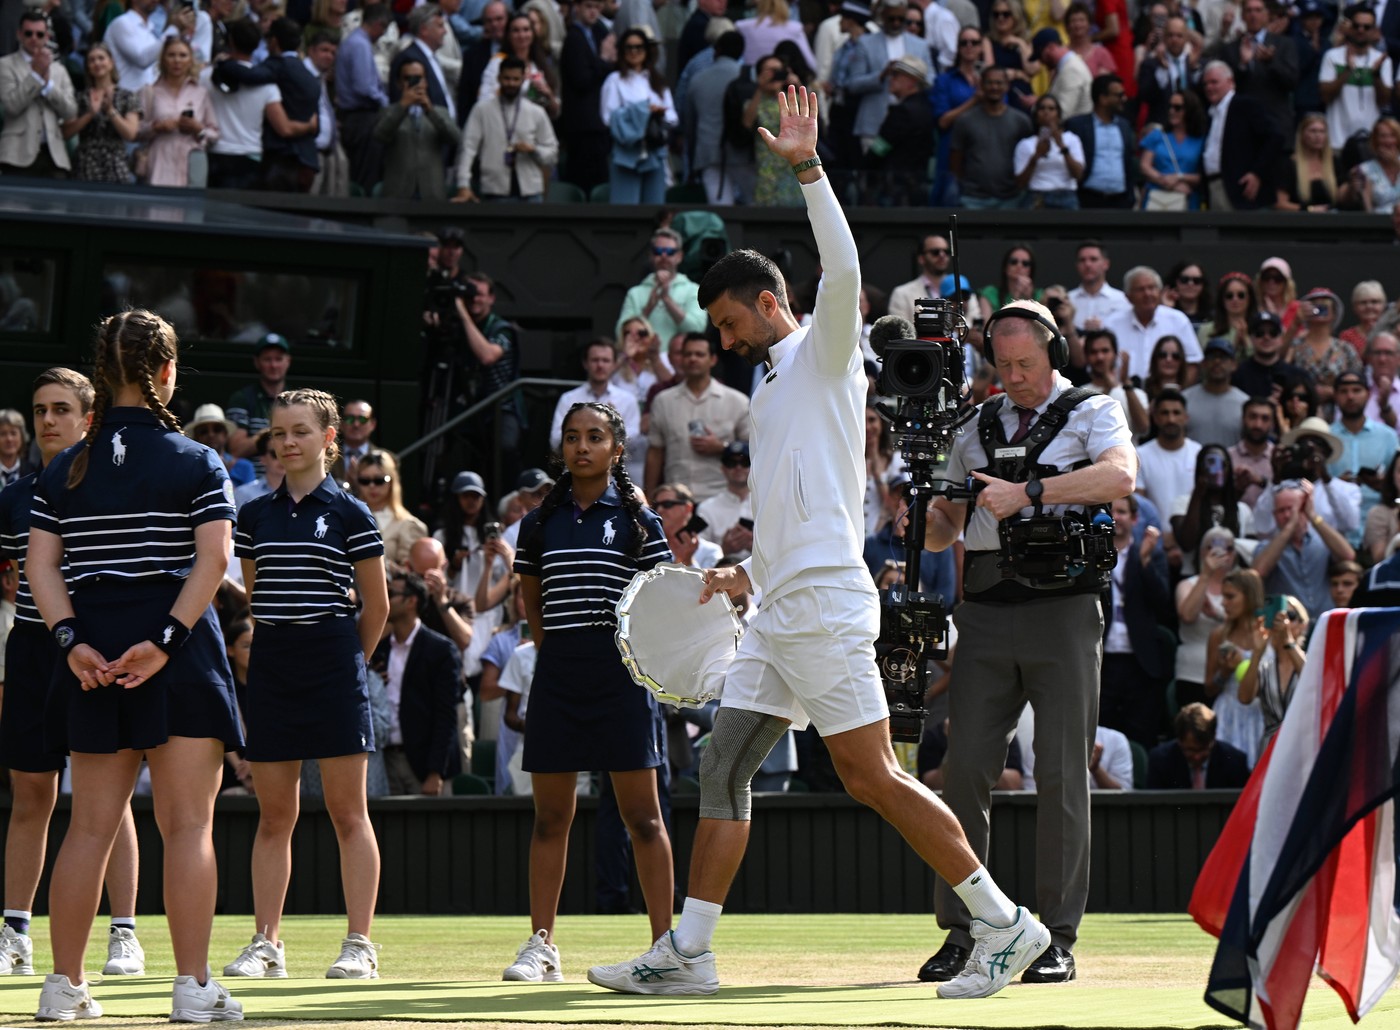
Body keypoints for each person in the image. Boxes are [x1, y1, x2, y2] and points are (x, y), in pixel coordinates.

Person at [591, 88, 1052, 1002]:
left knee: (871, 776)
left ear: (769, 302)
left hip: (829, 604)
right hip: (778, 603)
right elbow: (799, 508)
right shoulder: (768, 389)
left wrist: (807, 168)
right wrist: (740, 571)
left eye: (727, 323)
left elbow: (841, 271)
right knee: (723, 763)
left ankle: (1005, 925)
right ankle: (691, 950)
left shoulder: (824, 350)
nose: (719, 342)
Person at [27, 310, 244, 1022]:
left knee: (87, 827)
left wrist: (71, 643)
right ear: (167, 372)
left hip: (91, 655)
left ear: (101, 374)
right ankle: (192, 989)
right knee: (187, 827)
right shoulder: (195, 459)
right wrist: (166, 641)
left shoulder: (64, 467)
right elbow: (214, 562)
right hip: (176, 657)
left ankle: (63, 985)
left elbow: (40, 569)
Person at [916, 298, 1135, 987]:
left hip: (1064, 609)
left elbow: (1120, 477)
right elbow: (945, 528)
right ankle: (966, 930)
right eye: (1003, 365)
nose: (1014, 377)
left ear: (1055, 355)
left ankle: (1055, 936)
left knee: (1064, 772)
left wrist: (1030, 492)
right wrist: (922, 513)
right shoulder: (972, 424)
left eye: (1027, 364)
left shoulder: (1094, 409)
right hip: (983, 608)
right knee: (964, 772)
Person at [507, 401, 674, 981]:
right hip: (558, 676)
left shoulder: (639, 520)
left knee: (644, 820)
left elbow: (663, 601)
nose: (582, 447)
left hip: (622, 678)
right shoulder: (536, 523)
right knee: (551, 818)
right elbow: (532, 603)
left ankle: (666, 950)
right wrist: (555, 657)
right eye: (573, 437)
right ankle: (541, 945)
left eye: (595, 437)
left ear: (616, 449)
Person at [225, 389, 389, 981]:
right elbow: (256, 593)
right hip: (273, 662)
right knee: (274, 816)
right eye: (278, 432)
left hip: (333, 660)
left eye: (299, 431)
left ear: (328, 439)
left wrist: (346, 663)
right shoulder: (254, 515)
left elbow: (376, 606)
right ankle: (266, 942)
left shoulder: (351, 511)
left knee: (350, 812)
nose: (287, 442)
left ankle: (359, 944)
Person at [0, 368, 146, 982]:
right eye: (39, 410)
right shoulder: (12, 498)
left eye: (62, 408)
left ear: (90, 417)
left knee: (105, 799)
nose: (48, 421)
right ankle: (14, 932)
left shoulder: (113, 486)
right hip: (34, 652)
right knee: (31, 795)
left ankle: (124, 935)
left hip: (100, 651)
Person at [373, 570, 463, 795]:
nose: (385, 598)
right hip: (385, 762)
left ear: (411, 601)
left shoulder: (441, 650)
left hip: (425, 767)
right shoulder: (378, 650)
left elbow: (446, 716)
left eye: (391, 593)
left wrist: (435, 772)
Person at [644, 334, 750, 502]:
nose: (693, 359)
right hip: (675, 500)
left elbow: (754, 449)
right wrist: (648, 500)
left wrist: (722, 447)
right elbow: (655, 452)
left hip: (721, 500)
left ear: (713, 360)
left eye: (699, 354)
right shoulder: (663, 401)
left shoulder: (737, 401)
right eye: (687, 354)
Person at [452, 56, 557, 202]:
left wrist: (533, 150)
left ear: (523, 80)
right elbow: (468, 148)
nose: (511, 83)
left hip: (531, 192)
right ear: (499, 78)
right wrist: (463, 184)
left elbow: (552, 152)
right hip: (495, 191)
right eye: (507, 78)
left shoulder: (536, 112)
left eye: (516, 79)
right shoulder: (482, 110)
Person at [600, 27, 675, 204]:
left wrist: (658, 114)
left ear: (647, 51)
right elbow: (608, 117)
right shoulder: (614, 80)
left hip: (654, 149)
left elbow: (672, 116)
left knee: (655, 206)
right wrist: (642, 111)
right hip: (627, 151)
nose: (634, 52)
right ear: (622, 51)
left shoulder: (657, 81)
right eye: (629, 47)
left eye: (639, 47)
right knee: (626, 208)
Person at [0, 11, 77, 177]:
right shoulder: (5, 65)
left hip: (54, 156)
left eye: (39, 34)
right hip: (16, 155)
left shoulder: (59, 70)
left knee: (57, 203)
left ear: (47, 37)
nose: (34, 38)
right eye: (28, 33)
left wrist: (49, 86)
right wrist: (35, 76)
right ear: (19, 35)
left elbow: (71, 111)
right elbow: (12, 106)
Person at [1200, 60, 1282, 212]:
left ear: (1230, 82)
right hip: (1214, 188)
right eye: (1205, 84)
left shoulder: (1245, 105)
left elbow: (1275, 137)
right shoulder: (1211, 114)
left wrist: (1257, 173)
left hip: (1241, 192)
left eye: (1214, 82)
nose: (1209, 88)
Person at [1203, 567, 1265, 766]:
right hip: (1228, 712)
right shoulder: (1219, 635)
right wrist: (1225, 672)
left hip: (1261, 713)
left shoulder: (1269, 635)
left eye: (1230, 597)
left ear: (1249, 597)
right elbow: (1209, 688)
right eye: (1223, 597)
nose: (1223, 603)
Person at [375, 57, 462, 199]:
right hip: (398, 193)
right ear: (399, 83)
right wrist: (402, 106)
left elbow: (455, 138)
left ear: (426, 82)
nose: (413, 82)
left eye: (418, 78)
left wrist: (430, 111)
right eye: (407, 78)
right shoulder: (388, 111)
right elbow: (380, 136)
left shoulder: (440, 112)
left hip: (432, 192)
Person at [136, 37, 217, 187]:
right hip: (159, 163)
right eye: (171, 55)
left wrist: (198, 129)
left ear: (190, 60)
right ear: (163, 59)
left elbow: (214, 134)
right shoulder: (149, 91)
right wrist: (156, 127)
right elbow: (136, 131)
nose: (177, 61)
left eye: (183, 55)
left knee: (192, 209)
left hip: (191, 163)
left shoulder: (200, 93)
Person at [948, 65, 1030, 209]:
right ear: (981, 85)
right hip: (973, 199)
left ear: (1007, 86)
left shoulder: (1021, 121)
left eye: (999, 83)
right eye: (990, 82)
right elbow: (956, 159)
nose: (994, 87)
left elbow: (1028, 158)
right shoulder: (965, 120)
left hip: (1011, 198)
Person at [615, 228, 708, 352]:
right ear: (651, 256)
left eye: (670, 252)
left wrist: (667, 300)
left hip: (679, 367)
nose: (663, 256)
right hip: (642, 363)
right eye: (658, 251)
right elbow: (621, 334)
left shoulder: (693, 290)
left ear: (679, 256)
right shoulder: (635, 293)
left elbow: (697, 330)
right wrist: (648, 308)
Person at [61, 42, 139, 183]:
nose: (97, 63)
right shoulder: (79, 97)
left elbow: (130, 133)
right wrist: (89, 114)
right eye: (92, 60)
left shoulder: (127, 96)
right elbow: (65, 133)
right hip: (86, 163)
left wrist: (110, 111)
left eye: (101, 58)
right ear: (88, 67)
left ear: (111, 62)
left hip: (116, 162)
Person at [1103, 266, 1203, 376]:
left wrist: (1177, 392)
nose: (1147, 294)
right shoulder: (1112, 324)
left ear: (1160, 292)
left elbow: (1193, 364)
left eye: (1152, 288)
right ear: (1128, 297)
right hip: (1120, 391)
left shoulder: (1178, 320)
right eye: (1140, 289)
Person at [1065, 74, 1134, 209]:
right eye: (1119, 95)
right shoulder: (1078, 125)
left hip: (1120, 201)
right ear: (1103, 99)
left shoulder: (1124, 126)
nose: (1124, 99)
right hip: (1088, 200)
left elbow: (1128, 163)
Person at [1145, 702, 1250, 789]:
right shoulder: (1160, 761)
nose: (1197, 756)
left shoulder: (1234, 762)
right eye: (1190, 750)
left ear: (1213, 738)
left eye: (1203, 749)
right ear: (1179, 741)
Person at [354, 450, 428, 566]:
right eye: (365, 481)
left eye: (379, 480)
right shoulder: (349, 518)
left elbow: (414, 573)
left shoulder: (409, 525)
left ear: (392, 481)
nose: (372, 486)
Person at [1013, 93, 1085, 210]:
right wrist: (1036, 156)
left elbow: (1078, 175)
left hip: (1066, 195)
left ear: (1058, 115)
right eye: (1042, 108)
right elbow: (1020, 183)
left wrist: (1062, 146)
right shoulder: (1026, 144)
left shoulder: (1072, 139)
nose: (1047, 112)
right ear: (1036, 115)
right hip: (1037, 196)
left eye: (1051, 109)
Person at [227, 336, 291, 461]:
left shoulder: (297, 401)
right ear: (257, 362)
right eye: (267, 359)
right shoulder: (241, 398)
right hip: (252, 477)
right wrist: (275, 431)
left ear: (288, 361)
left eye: (278, 359)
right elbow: (236, 449)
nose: (273, 365)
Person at [1139, 90, 1205, 210]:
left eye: (1177, 107)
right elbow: (1145, 166)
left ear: (1190, 110)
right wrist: (1167, 182)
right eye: (1170, 107)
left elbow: (1202, 175)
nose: (1172, 111)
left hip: (1187, 199)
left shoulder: (1201, 140)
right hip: (1156, 196)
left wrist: (1179, 177)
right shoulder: (1157, 135)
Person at [1182, 338, 1249, 448]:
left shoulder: (1245, 403)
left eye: (1223, 358)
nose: (1217, 362)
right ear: (1203, 363)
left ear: (1234, 365)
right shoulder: (1184, 400)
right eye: (1211, 357)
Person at [1275, 112, 1340, 211]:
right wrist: (1310, 209)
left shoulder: (1334, 162)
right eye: (1313, 131)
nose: (1318, 136)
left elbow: (1342, 197)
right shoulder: (1290, 165)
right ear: (1302, 135)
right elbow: (1280, 204)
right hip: (1301, 222)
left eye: (1322, 131)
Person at [1067, 240, 1130, 332]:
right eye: (1082, 260)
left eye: (1093, 259)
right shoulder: (1068, 300)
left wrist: (1103, 327)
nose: (1087, 264)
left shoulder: (1122, 300)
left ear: (1106, 264)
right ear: (1077, 265)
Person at [1032, 28, 1091, 119]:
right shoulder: (1066, 66)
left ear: (1051, 47)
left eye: (1040, 56)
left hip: (1075, 130)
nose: (1041, 62)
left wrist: (1036, 105)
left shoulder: (1071, 70)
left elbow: (1063, 113)